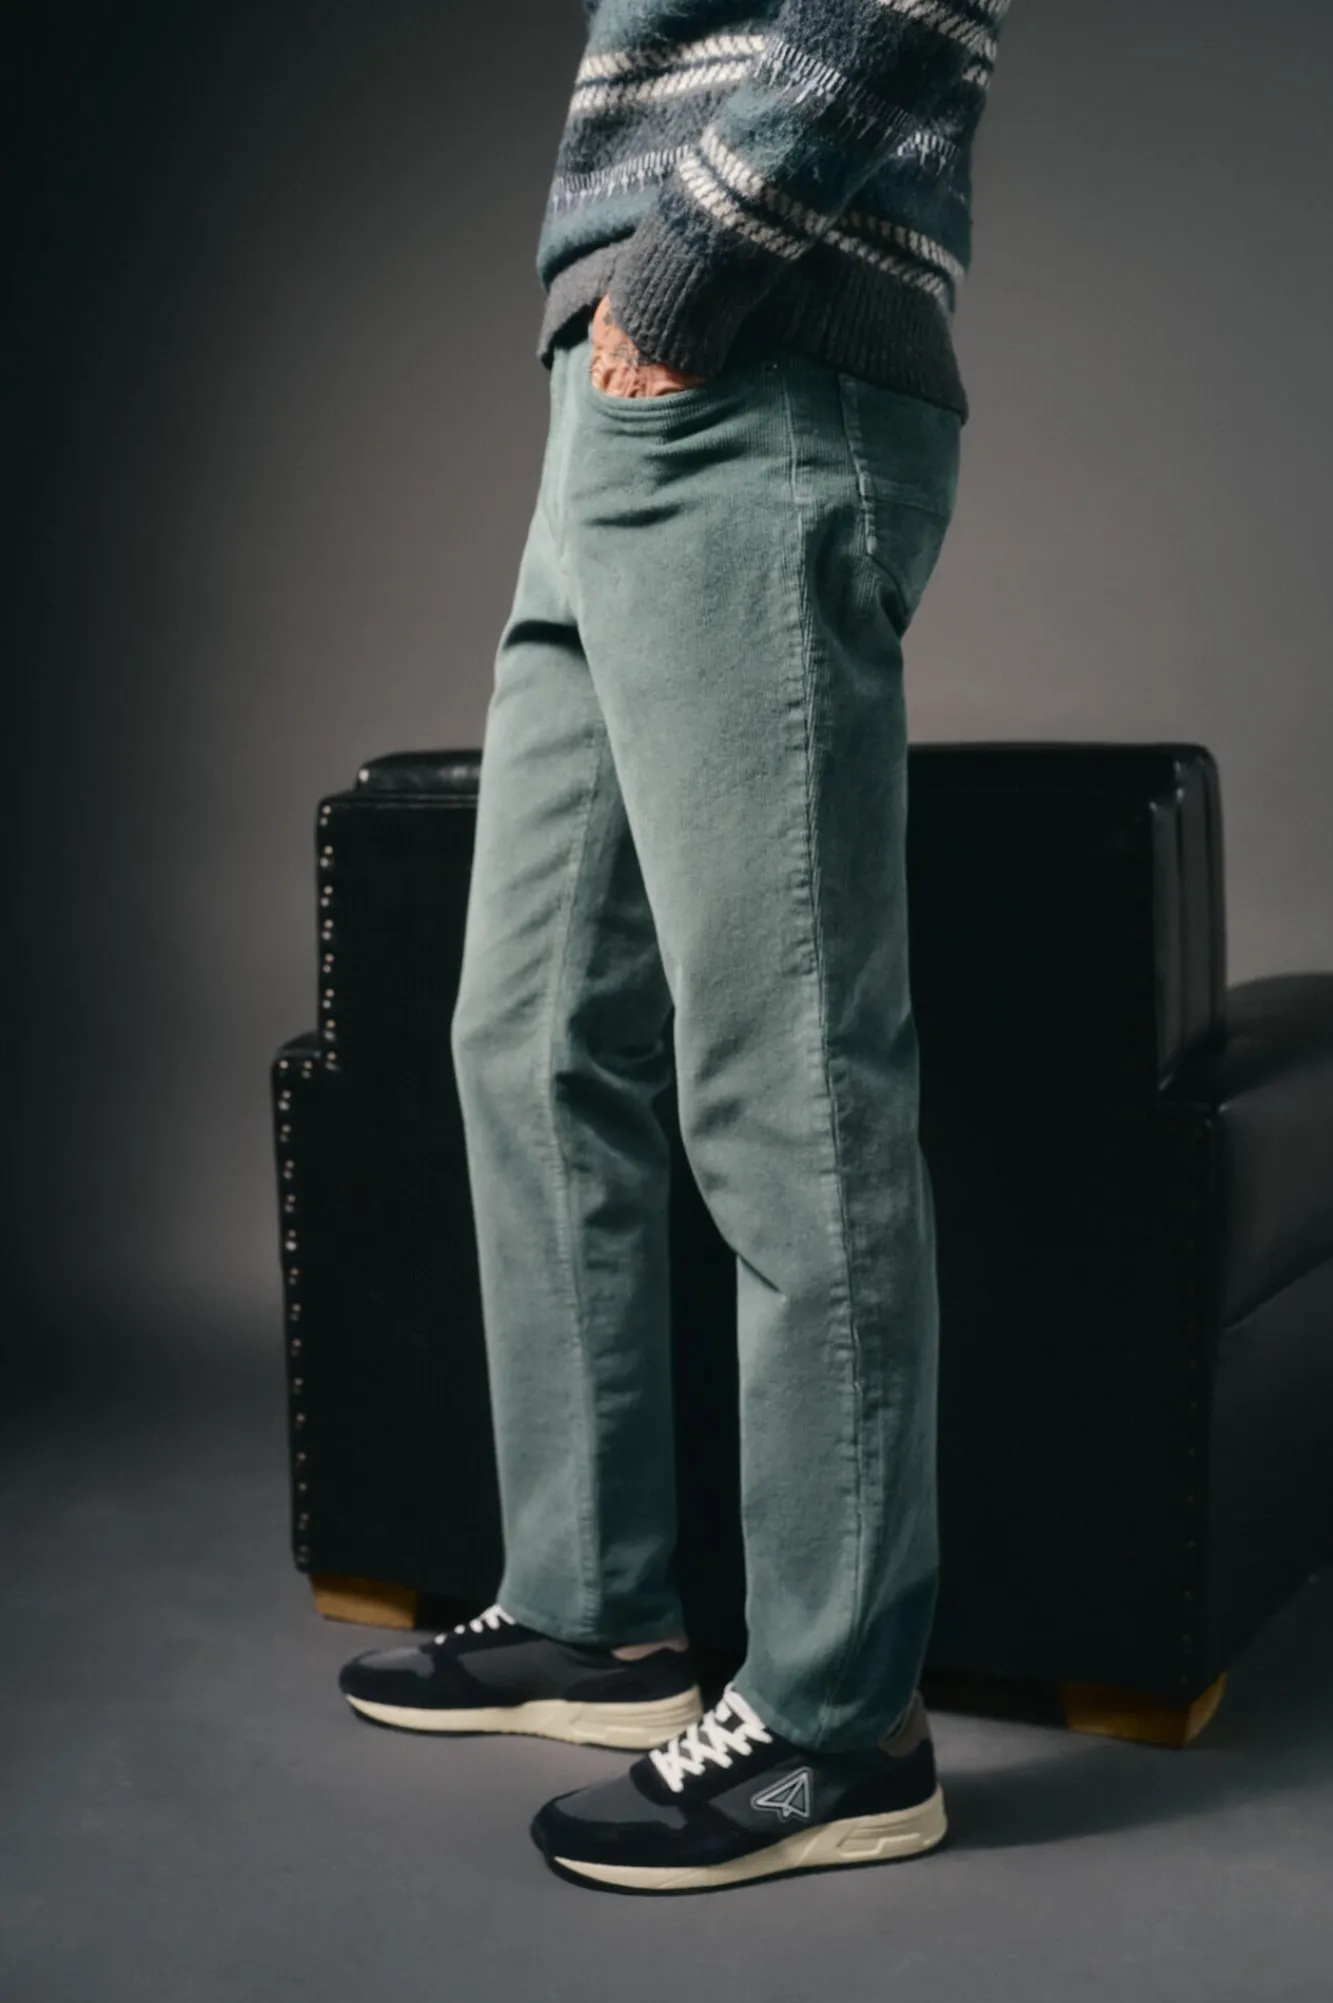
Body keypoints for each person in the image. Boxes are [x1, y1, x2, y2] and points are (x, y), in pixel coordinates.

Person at [339, 0, 1013, 1894]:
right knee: (528, 1031)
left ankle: (839, 1724)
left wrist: (685, 271)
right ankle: (592, 1612)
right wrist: (616, 332)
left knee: (785, 1079)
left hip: (751, 359)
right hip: (620, 405)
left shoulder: (715, 301)